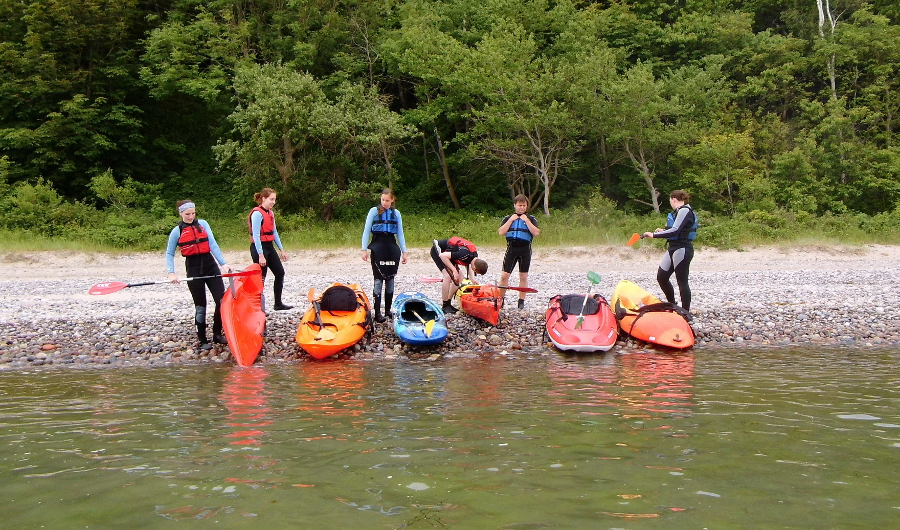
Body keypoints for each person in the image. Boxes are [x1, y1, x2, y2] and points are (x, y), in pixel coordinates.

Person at [165, 200, 234, 350]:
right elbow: (169, 253)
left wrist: (223, 263)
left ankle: (217, 333)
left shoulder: (203, 224)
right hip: (193, 269)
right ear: (181, 213)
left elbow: (213, 244)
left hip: (210, 267)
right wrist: (171, 273)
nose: (191, 217)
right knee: (201, 306)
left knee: (221, 301)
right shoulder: (177, 230)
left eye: (193, 213)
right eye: (187, 214)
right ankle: (202, 340)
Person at [643, 190, 698, 312]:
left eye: (670, 201)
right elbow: (676, 229)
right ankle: (672, 304)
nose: (670, 203)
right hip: (673, 247)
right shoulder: (679, 212)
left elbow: (675, 230)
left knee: (682, 281)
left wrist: (653, 235)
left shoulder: (684, 210)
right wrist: (662, 230)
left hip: (683, 248)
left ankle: (685, 311)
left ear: (673, 199)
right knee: (662, 277)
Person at [361, 188, 408, 322]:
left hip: (391, 248)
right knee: (378, 280)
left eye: (387, 200)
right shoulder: (373, 211)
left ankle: (388, 310)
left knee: (390, 279)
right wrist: (364, 249)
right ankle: (377, 313)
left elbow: (400, 234)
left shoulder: (396, 213)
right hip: (377, 247)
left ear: (392, 200)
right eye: (383, 200)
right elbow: (366, 232)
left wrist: (404, 252)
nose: (385, 203)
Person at [249, 188, 292, 310]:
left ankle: (278, 303)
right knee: (261, 278)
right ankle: (258, 308)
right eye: (271, 199)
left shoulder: (270, 213)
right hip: (259, 248)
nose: (273, 202)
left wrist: (281, 249)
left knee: (280, 272)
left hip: (269, 246)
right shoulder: (257, 214)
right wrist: (261, 255)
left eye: (274, 200)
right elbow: (256, 236)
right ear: (263, 199)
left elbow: (274, 232)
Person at [498, 194, 540, 309]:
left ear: (526, 206)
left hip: (525, 249)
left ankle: (521, 301)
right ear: (515, 205)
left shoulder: (531, 219)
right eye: (519, 205)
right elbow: (501, 232)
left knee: (523, 276)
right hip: (512, 248)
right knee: (504, 275)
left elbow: (536, 233)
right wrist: (511, 220)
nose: (521, 207)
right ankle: (501, 300)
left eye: (524, 205)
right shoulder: (508, 218)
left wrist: (526, 220)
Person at [430, 237, 489, 314]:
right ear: (474, 267)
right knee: (447, 276)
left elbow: (468, 265)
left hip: (448, 254)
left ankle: (448, 302)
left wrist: (473, 279)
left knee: (460, 277)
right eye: (475, 271)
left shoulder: (474, 256)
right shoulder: (464, 254)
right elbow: (442, 256)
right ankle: (445, 306)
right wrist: (454, 270)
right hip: (438, 251)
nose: (474, 271)